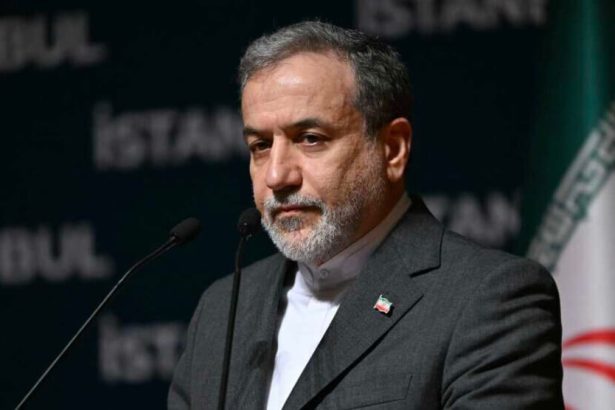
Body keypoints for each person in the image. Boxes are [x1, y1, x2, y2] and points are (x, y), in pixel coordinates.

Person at [168, 21, 563, 409]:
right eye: (260, 145)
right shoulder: (223, 309)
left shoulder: (488, 298)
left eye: (310, 139)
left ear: (392, 149)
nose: (276, 176)